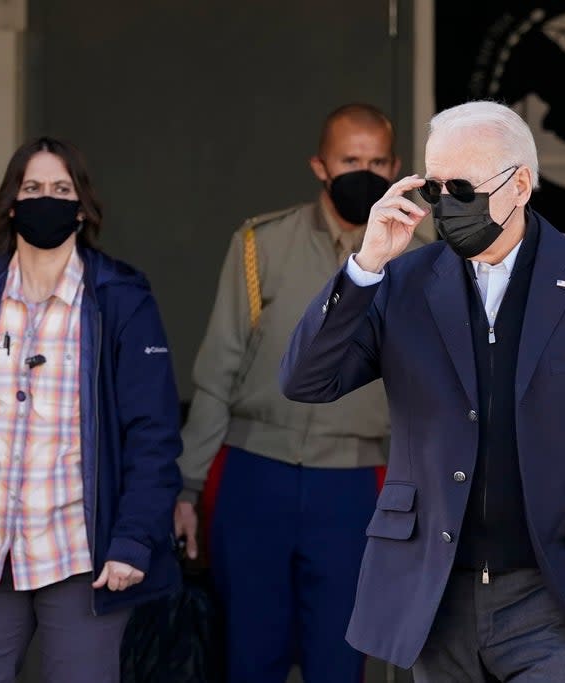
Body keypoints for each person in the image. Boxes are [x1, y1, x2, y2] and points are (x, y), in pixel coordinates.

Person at [280, 100, 565, 682]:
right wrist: (366, 263)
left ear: (520, 183)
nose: (446, 206)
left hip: (558, 598)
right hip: (435, 594)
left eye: (463, 189)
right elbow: (305, 381)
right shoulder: (399, 281)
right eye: (435, 188)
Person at [0, 137, 183, 683]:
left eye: (60, 189)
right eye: (31, 189)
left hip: (83, 557)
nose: (44, 199)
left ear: (81, 208)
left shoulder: (122, 299)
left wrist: (133, 540)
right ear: (10, 204)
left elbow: (153, 434)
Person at [173, 103, 429, 683]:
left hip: (359, 480)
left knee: (339, 662)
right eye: (349, 159)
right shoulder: (261, 243)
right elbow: (219, 371)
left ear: (396, 167)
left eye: (378, 160)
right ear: (320, 165)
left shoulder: (425, 255)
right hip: (253, 473)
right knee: (248, 657)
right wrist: (187, 485)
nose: (365, 170)